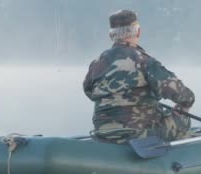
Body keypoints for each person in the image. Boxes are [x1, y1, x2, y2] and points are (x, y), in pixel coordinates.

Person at [83, 9, 195, 143]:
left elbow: (89, 91)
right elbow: (185, 96)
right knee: (182, 117)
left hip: (103, 134)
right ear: (138, 32)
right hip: (140, 134)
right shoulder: (145, 61)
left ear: (110, 36)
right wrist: (184, 107)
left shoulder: (96, 64)